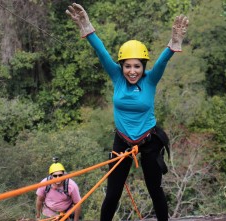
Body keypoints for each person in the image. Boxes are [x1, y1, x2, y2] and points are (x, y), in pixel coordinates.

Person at [66, 3, 188, 221]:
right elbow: (101, 51)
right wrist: (87, 27)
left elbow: (163, 60)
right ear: (121, 67)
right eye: (127, 66)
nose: (132, 71)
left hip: (149, 141)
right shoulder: (116, 77)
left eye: (137, 66)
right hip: (122, 141)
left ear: (143, 67)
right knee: (113, 194)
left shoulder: (151, 80)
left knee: (155, 190)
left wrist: (174, 43)